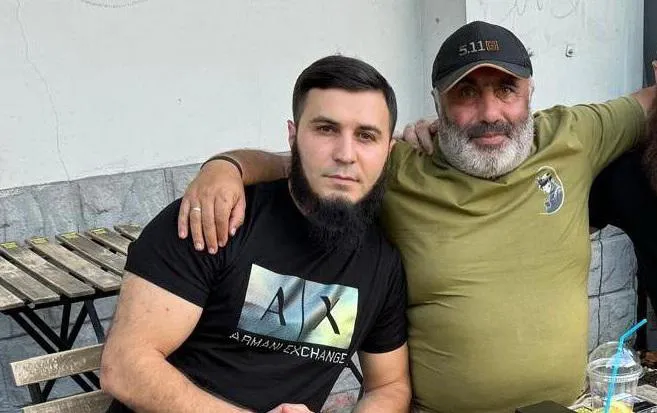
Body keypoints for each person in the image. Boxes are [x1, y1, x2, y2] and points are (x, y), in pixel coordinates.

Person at [177, 21, 657, 413]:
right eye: (465, 93)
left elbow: (650, 98)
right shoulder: (399, 167)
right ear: (436, 103)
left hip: (564, 407)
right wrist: (228, 167)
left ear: (530, 93)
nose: (490, 112)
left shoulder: (575, 135)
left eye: (506, 89)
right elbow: (315, 165)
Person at [100, 55, 411, 413]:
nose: (345, 154)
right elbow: (124, 367)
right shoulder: (215, 217)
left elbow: (388, 386)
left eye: (366, 136)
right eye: (326, 129)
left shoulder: (381, 262)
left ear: (388, 152)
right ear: (293, 137)